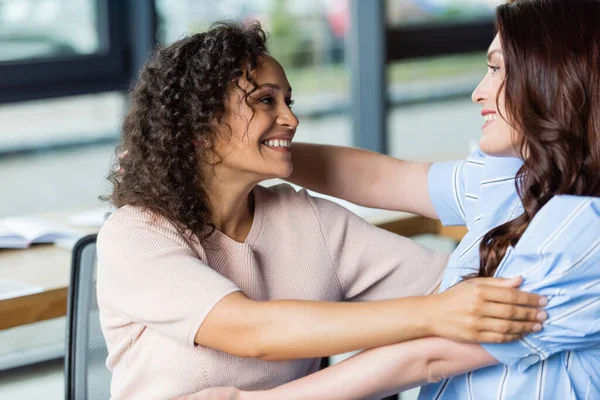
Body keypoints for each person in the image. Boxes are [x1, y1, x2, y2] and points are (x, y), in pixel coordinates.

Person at [96, 21, 545, 400]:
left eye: (288, 101)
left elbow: (452, 288)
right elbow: (253, 333)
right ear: (200, 122)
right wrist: (435, 316)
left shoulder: (304, 220)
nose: (291, 118)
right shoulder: (135, 235)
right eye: (265, 100)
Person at [180, 0, 600, 399]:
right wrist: (234, 149)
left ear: (553, 77)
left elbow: (428, 355)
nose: (479, 92)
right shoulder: (514, 177)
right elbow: (383, 178)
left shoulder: (584, 231)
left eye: (495, 70)